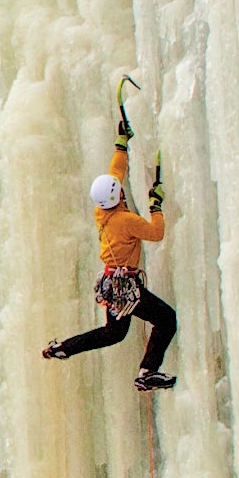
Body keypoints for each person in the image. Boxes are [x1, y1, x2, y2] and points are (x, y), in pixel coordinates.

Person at [42, 105, 175, 390]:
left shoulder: (102, 213)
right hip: (126, 287)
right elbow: (156, 232)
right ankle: (147, 371)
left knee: (113, 333)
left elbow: (115, 173)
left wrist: (121, 144)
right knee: (166, 319)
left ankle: (63, 347)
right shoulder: (127, 221)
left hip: (110, 283)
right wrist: (156, 206)